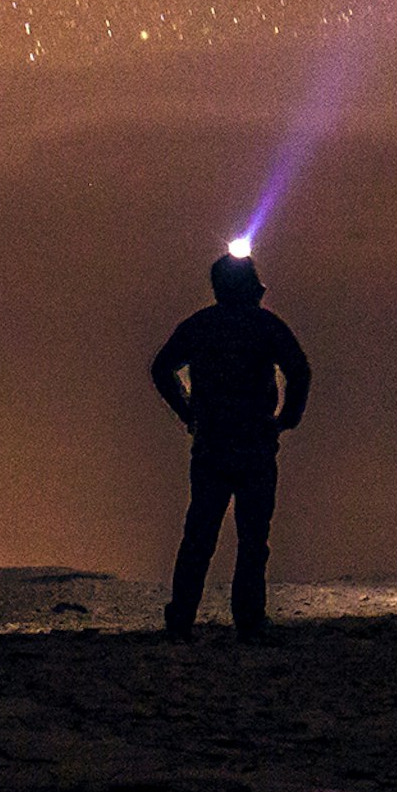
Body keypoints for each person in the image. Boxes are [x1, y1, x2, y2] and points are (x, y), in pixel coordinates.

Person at [149, 249, 311, 642]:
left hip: (213, 445)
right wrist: (286, 419)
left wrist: (188, 412)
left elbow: (161, 367)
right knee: (252, 538)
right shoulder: (265, 326)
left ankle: (182, 618)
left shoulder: (201, 326)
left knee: (199, 535)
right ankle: (249, 619)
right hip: (254, 445)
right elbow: (299, 370)